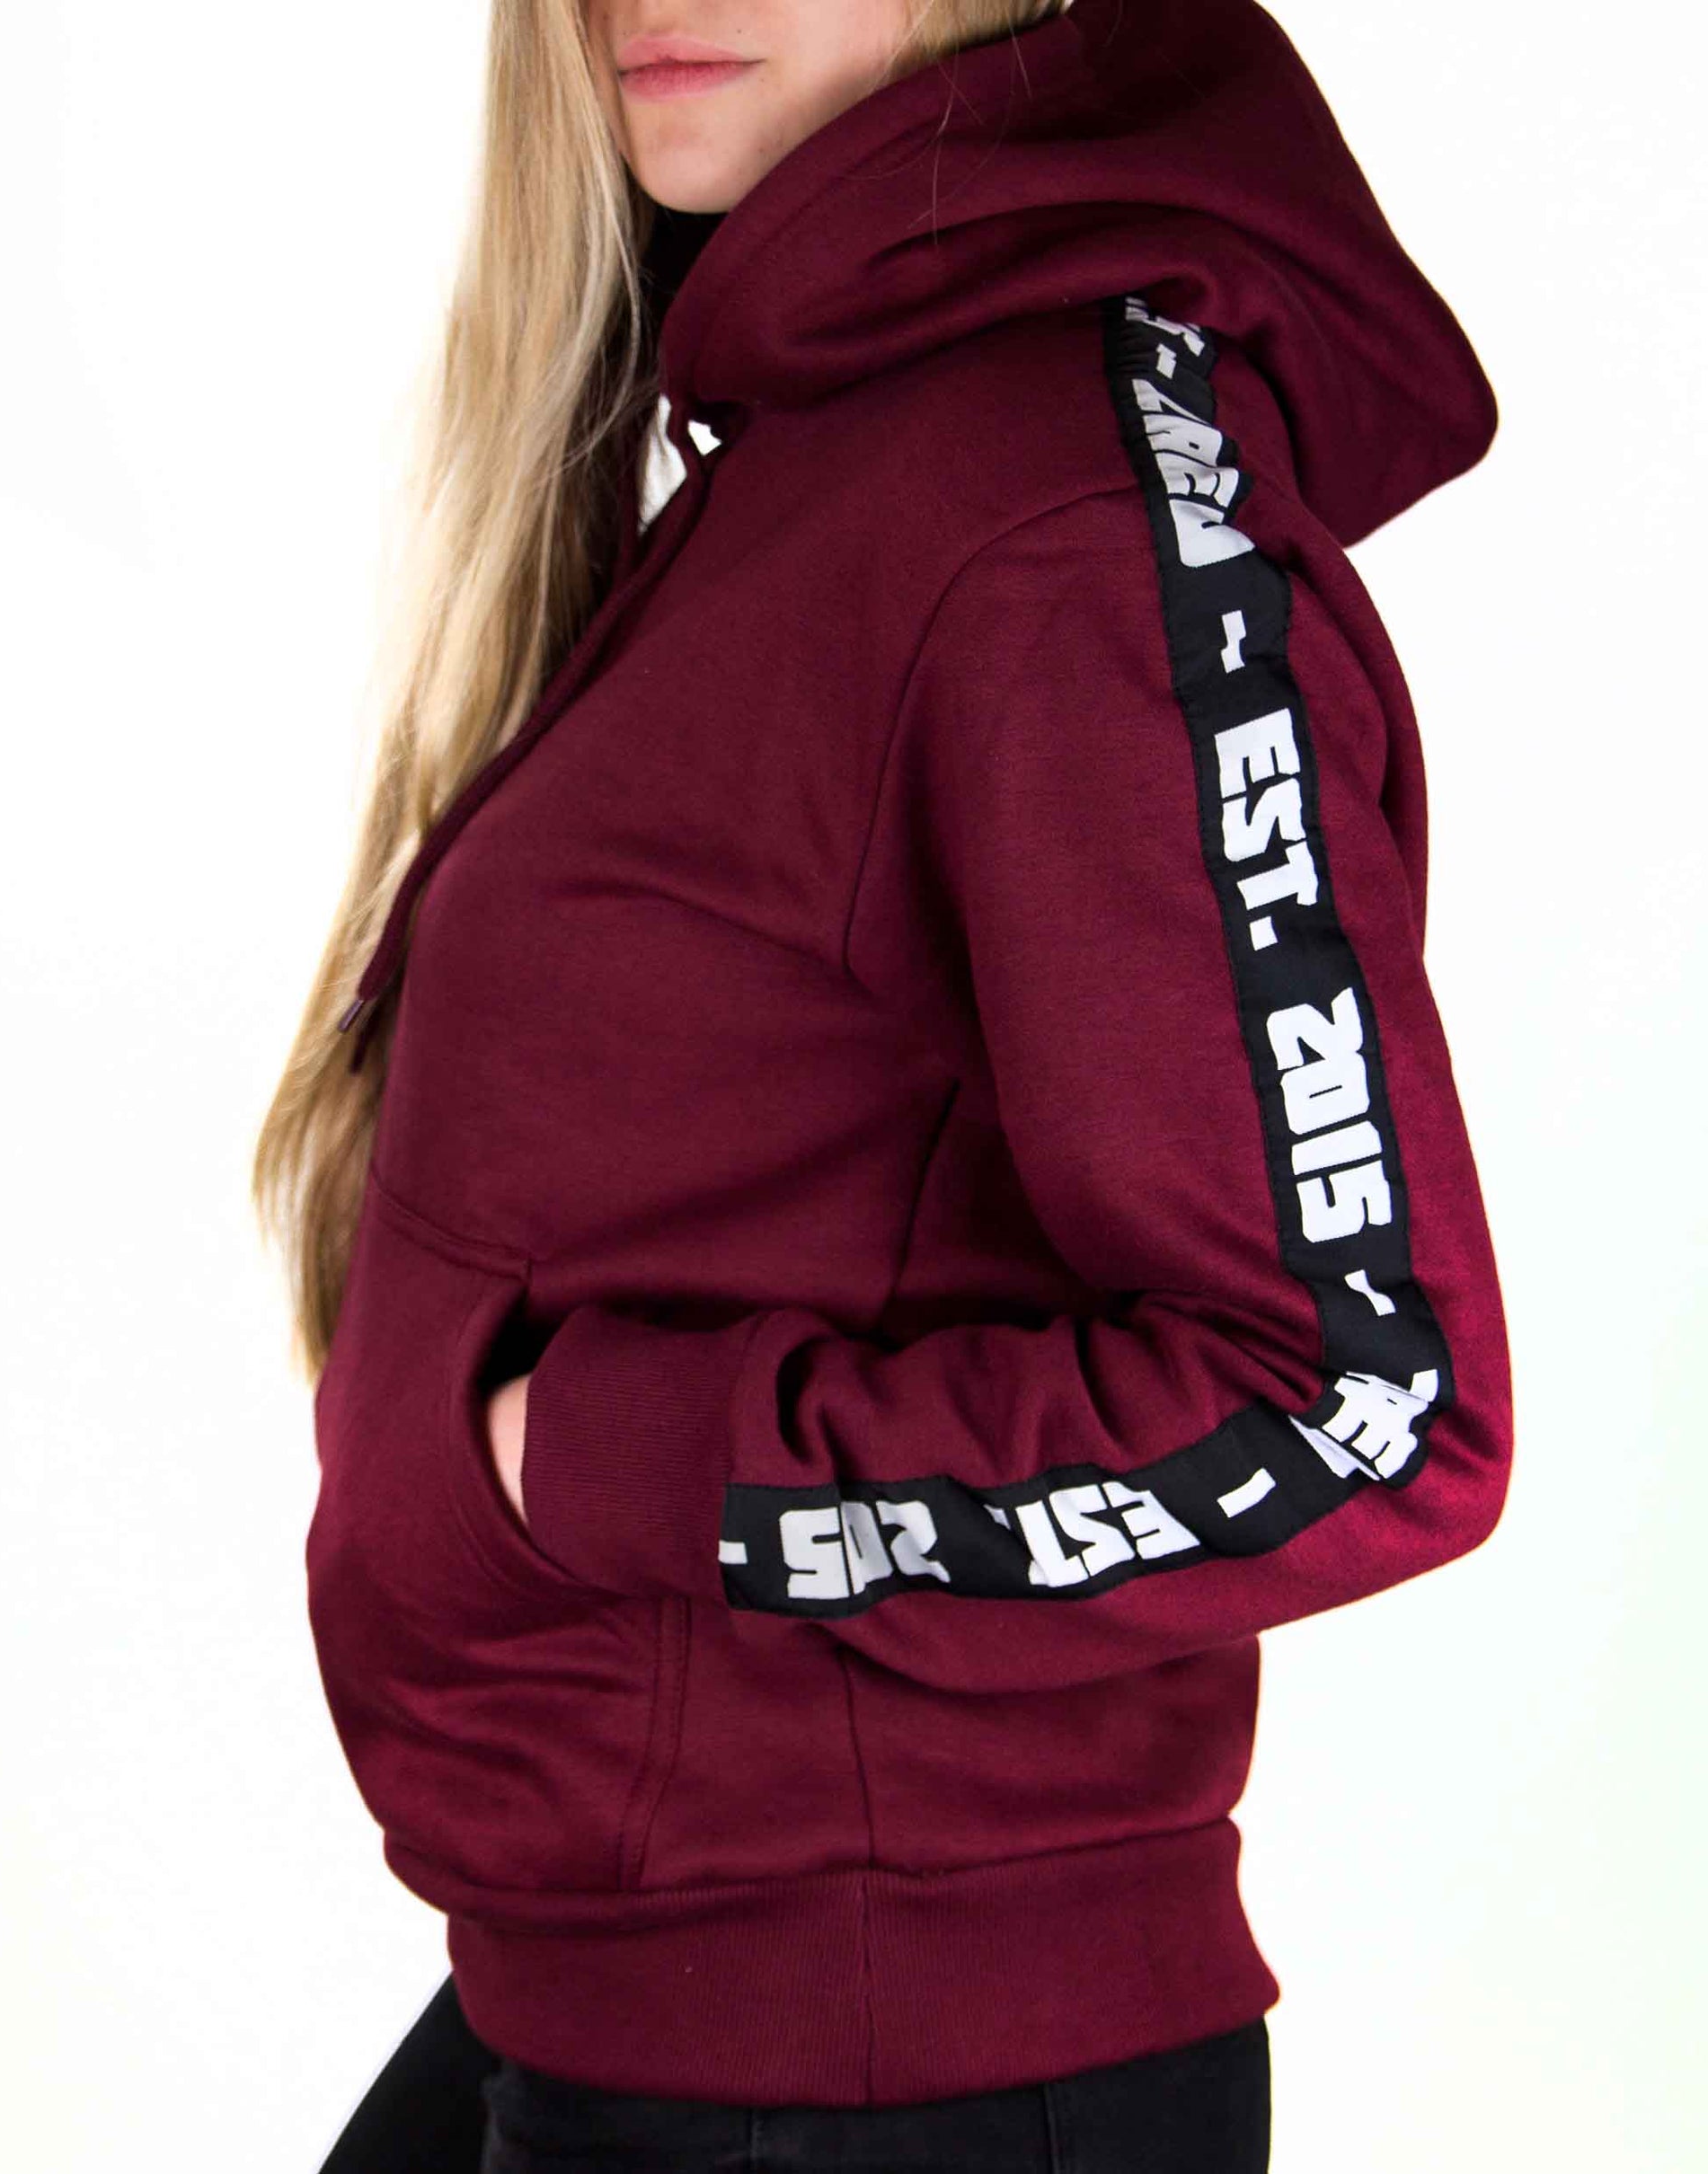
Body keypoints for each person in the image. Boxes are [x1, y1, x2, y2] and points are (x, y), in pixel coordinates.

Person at [254, 1, 1514, 2167]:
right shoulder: (826, 447)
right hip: (641, 1984)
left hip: (877, 2064)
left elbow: (1361, 1403)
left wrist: (619, 1461)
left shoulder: (1046, 515)